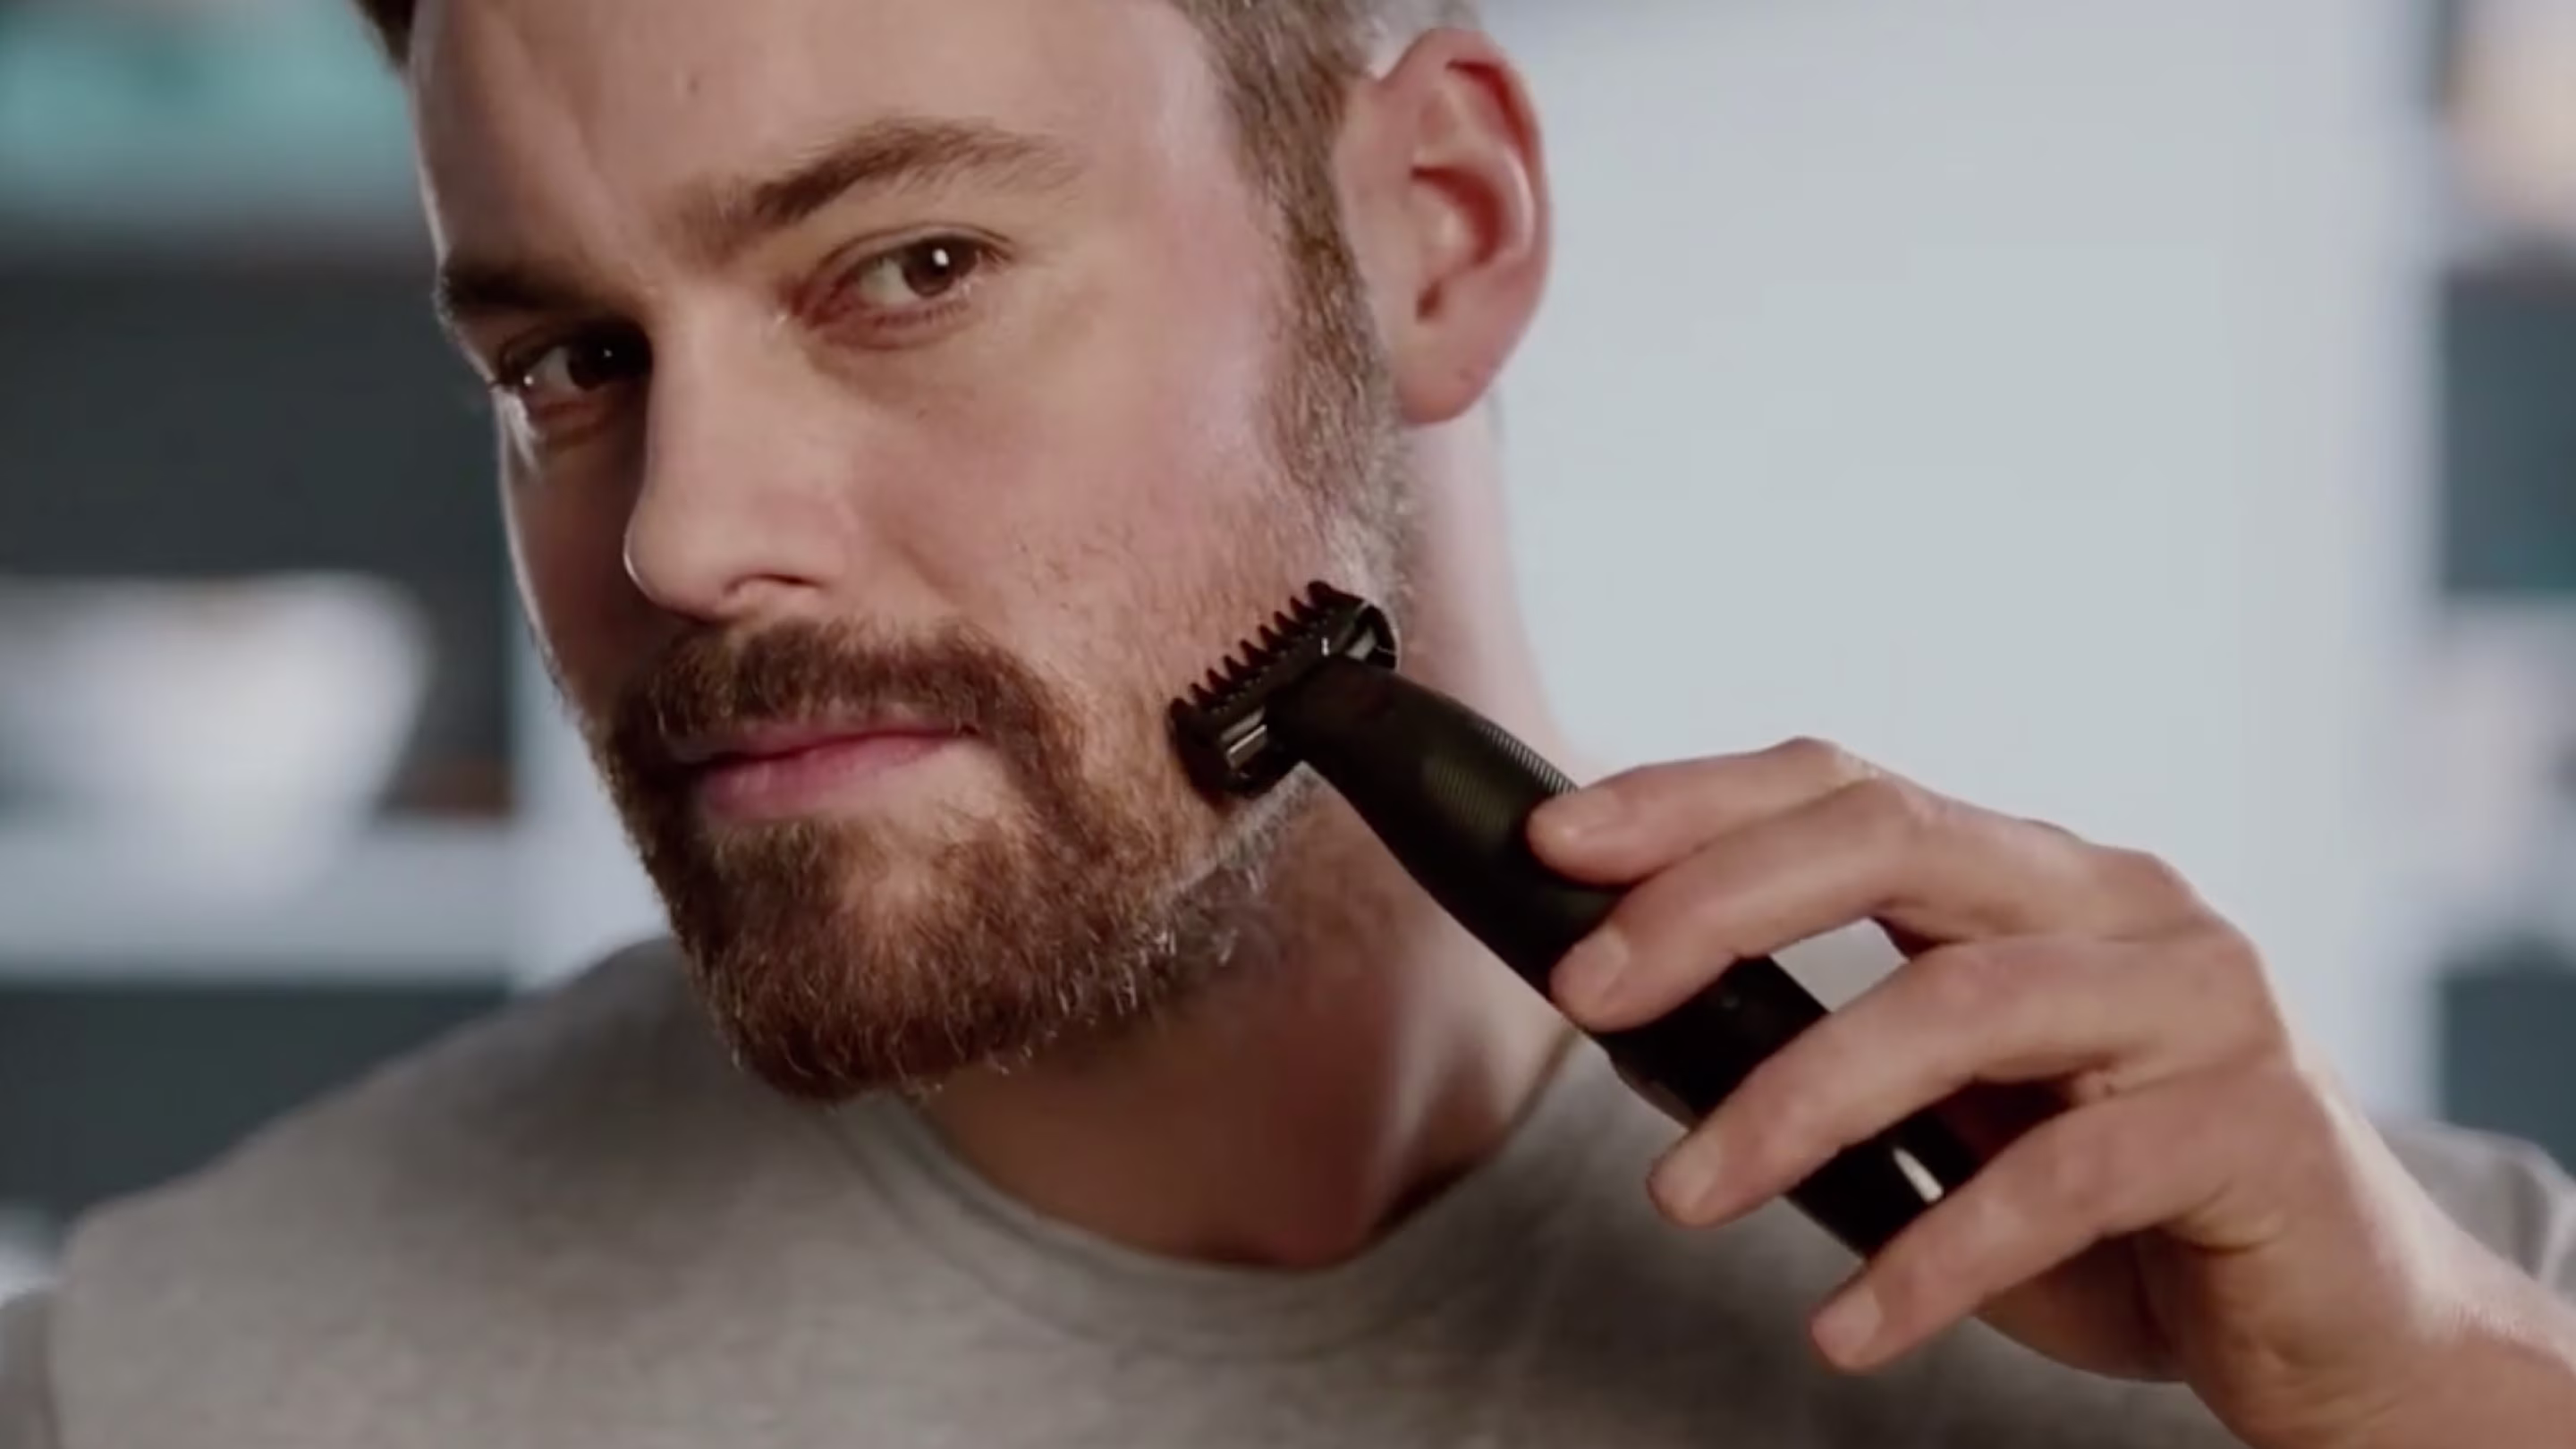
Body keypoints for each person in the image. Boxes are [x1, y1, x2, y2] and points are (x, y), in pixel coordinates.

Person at [6, 1, 2574, 1444]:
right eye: (571, 358)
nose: (682, 536)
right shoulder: (179, 1388)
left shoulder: (2364, 1325)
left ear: (1435, 238)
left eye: (910, 266)